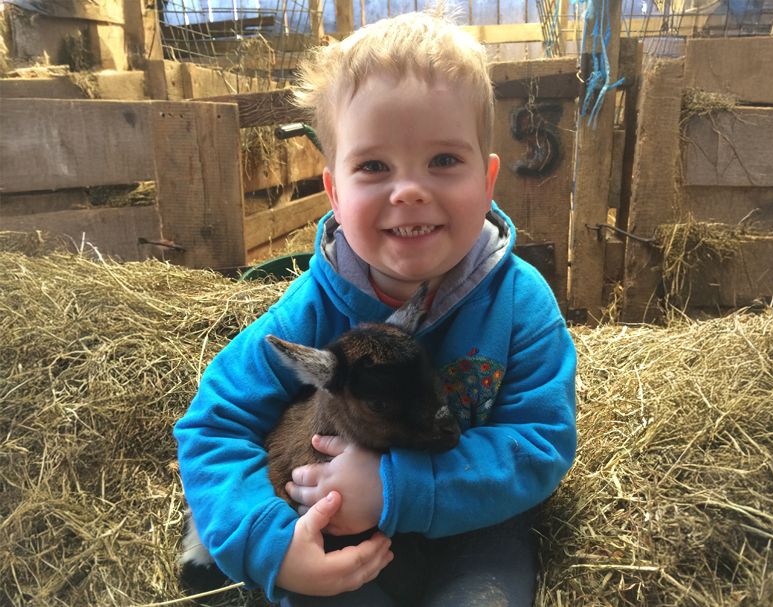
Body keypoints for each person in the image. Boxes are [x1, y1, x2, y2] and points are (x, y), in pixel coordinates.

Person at [174, 8, 577, 606]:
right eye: (373, 166)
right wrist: (272, 542)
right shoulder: (309, 309)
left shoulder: (520, 304)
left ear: (488, 180)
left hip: (475, 521)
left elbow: (541, 441)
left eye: (444, 160)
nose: (409, 190)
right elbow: (214, 424)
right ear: (334, 193)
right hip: (338, 528)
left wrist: (395, 488)